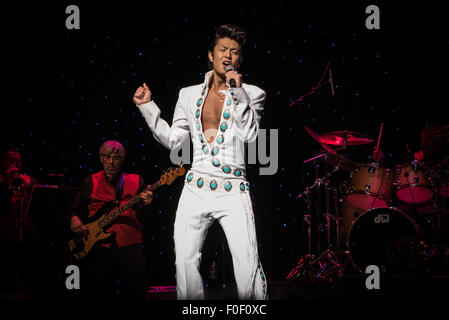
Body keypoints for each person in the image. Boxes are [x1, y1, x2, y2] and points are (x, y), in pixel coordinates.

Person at [133, 24, 267, 300]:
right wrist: (148, 107)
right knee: (184, 262)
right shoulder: (188, 94)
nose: (228, 56)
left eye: (234, 52)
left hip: (233, 188)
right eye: (222, 50)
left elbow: (251, 135)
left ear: (240, 60)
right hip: (196, 187)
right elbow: (173, 140)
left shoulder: (253, 93)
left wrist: (237, 92)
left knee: (246, 265)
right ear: (211, 55)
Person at [68, 140, 153, 300]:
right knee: (100, 292)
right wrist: (75, 219)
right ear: (101, 159)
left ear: (122, 160)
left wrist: (146, 205)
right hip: (99, 246)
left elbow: (146, 218)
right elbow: (74, 209)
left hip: (130, 244)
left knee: (135, 292)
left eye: (116, 158)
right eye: (107, 157)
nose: (111, 162)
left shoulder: (136, 180)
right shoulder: (89, 181)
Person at [0, 146, 39, 293]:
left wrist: (29, 186)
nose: (16, 165)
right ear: (3, 163)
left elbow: (39, 194)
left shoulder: (27, 179)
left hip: (24, 238)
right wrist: (7, 185)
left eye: (19, 161)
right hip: (4, 238)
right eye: (11, 161)